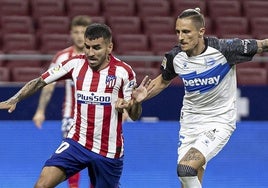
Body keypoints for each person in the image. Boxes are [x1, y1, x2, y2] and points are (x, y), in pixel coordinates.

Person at [0, 23, 149, 188]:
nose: (90, 53)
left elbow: (134, 115)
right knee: (42, 185)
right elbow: (40, 81)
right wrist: (15, 98)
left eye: (96, 48)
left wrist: (136, 103)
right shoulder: (74, 64)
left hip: (109, 150)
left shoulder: (124, 72)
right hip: (77, 142)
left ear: (109, 47)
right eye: (87, 47)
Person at [136, 8, 268, 188]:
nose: (181, 37)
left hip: (218, 121)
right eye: (178, 32)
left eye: (186, 32)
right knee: (187, 180)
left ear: (201, 32)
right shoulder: (176, 57)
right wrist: (141, 96)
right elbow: (163, 81)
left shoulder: (225, 49)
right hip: (189, 125)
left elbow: (262, 45)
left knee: (185, 168)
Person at [32, 15, 92, 188]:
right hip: (71, 117)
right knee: (72, 159)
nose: (80, 36)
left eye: (83, 32)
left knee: (96, 161)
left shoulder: (99, 56)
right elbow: (48, 85)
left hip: (98, 118)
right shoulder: (62, 57)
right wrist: (40, 110)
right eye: (76, 32)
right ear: (71, 34)